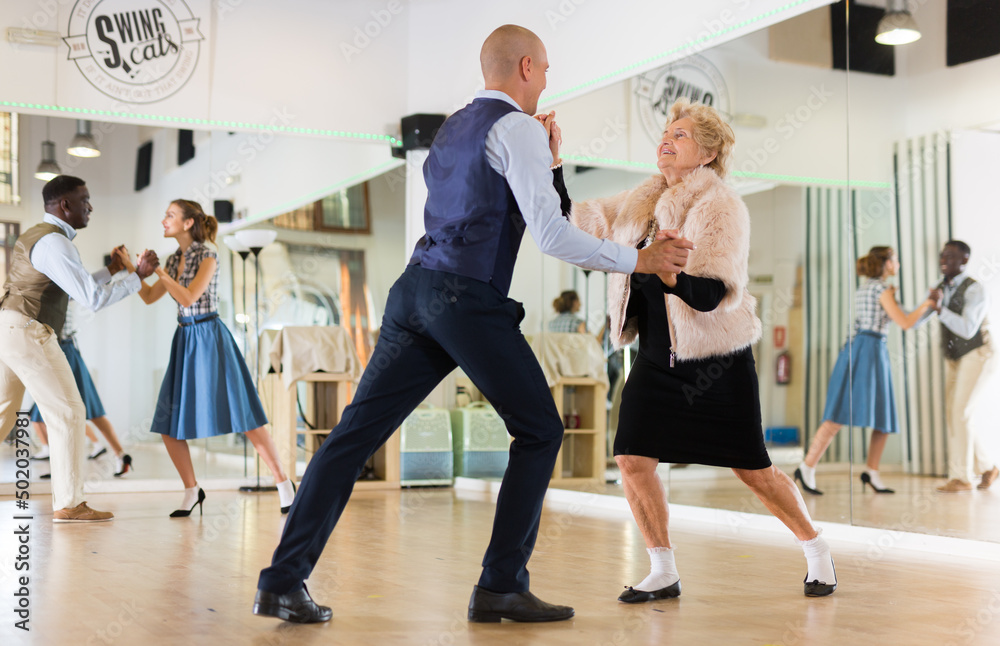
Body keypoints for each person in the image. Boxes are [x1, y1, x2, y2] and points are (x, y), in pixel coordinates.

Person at [253, 24, 693, 624]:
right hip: (464, 297)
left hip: (416, 292)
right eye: (547, 70)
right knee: (539, 429)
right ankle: (500, 585)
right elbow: (553, 235)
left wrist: (553, 162)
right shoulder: (517, 129)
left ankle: (281, 581)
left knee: (353, 434)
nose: (546, 81)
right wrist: (638, 258)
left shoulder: (453, 128)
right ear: (529, 68)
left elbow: (533, 209)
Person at [571, 98, 837, 601]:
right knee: (631, 460)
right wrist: (552, 166)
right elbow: (578, 221)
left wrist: (669, 273)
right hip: (654, 359)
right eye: (666, 132)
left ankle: (816, 547)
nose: (667, 140)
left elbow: (713, 294)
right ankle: (663, 568)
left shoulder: (721, 206)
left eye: (682, 135)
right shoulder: (640, 200)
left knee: (753, 471)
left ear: (709, 153)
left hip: (715, 364)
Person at [119, 200, 295, 516]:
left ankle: (283, 483)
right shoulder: (174, 259)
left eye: (169, 215)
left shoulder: (208, 254)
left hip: (210, 337)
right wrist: (131, 268)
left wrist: (157, 269)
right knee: (168, 425)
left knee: (245, 416)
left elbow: (187, 296)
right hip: (184, 339)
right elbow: (148, 297)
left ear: (188, 223)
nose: (164, 221)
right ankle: (191, 491)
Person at [0, 175, 157, 522]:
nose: (90, 207)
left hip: (9, 328)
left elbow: (71, 284)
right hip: (29, 330)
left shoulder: (36, 235)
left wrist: (111, 270)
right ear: (65, 205)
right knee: (69, 412)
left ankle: (70, 501)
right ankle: (70, 504)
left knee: (3, 413)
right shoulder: (57, 243)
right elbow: (92, 299)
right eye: (84, 200)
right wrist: (137, 276)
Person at [795, 247, 936, 496]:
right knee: (845, 412)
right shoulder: (882, 290)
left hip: (865, 348)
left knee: (878, 414)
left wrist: (929, 307)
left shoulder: (873, 288)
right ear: (886, 263)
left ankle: (866, 471)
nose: (899, 263)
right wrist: (927, 302)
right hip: (868, 350)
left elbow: (908, 319)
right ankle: (807, 468)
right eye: (895, 259)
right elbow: (905, 323)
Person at [29, 301, 133, 477]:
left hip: (62, 351)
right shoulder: (52, 287)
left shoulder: (53, 287)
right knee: (81, 410)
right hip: (64, 350)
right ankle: (121, 456)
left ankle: (62, 468)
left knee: (63, 411)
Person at [929, 240, 998, 493]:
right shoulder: (940, 288)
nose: (944, 259)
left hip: (978, 352)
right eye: (942, 255)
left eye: (951, 255)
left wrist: (940, 309)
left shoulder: (974, 290)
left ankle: (962, 477)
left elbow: (968, 330)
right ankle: (988, 466)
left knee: (961, 411)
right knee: (955, 414)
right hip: (955, 356)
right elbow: (921, 315)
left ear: (965, 260)